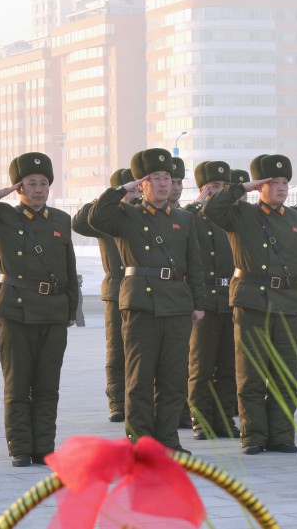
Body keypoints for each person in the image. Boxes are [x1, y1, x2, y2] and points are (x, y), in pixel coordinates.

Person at [0, 152, 78, 467]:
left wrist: (72, 310)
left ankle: (44, 447)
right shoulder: (1, 216)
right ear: (19, 187)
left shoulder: (61, 220)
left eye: (44, 183)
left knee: (48, 385)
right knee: (19, 382)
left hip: (53, 310)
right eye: (31, 183)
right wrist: (0, 193)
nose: (38, 189)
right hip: (16, 310)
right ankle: (21, 447)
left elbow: (68, 266)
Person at [87, 147, 204, 453]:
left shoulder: (183, 218)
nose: (164, 183)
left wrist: (198, 303)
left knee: (173, 377)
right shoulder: (127, 215)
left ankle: (168, 439)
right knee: (140, 377)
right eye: (155, 177)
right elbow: (95, 216)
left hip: (177, 304)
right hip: (141, 302)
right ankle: (141, 442)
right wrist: (123, 188)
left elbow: (195, 264)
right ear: (142, 183)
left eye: (167, 177)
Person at [203, 154, 297, 455]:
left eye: (284, 182)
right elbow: (211, 208)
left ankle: (281, 434)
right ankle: (253, 435)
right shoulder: (240, 213)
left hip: (290, 304)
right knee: (251, 372)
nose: (280, 187)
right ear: (260, 186)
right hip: (252, 302)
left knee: (286, 373)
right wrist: (242, 187)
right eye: (273, 182)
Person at [72, 168, 140, 423]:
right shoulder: (104, 220)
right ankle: (117, 403)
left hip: (143, 291)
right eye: (128, 190)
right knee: (116, 352)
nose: (132, 195)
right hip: (115, 291)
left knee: (141, 350)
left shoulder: (140, 216)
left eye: (135, 190)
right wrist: (108, 197)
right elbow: (78, 222)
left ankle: (139, 402)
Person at [182, 161, 239, 440]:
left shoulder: (235, 218)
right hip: (204, 298)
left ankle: (225, 418)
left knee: (229, 365)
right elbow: (177, 223)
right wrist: (196, 204)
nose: (218, 192)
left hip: (231, 298)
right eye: (213, 187)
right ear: (202, 189)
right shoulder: (191, 218)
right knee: (201, 365)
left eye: (223, 187)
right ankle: (201, 419)